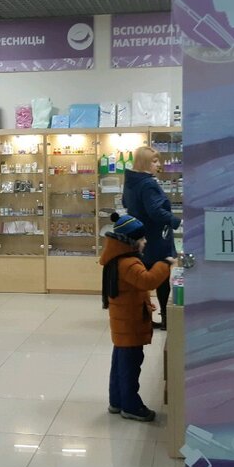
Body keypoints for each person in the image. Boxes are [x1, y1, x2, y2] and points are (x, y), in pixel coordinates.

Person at [99, 212, 174, 422]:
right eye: (141, 238)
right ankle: (131, 406)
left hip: (123, 323)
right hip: (130, 323)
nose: (145, 241)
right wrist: (165, 264)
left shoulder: (118, 259)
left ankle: (117, 401)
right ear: (130, 241)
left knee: (120, 365)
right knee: (130, 367)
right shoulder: (128, 263)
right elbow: (148, 281)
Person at [122, 146, 181, 330]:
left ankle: (142, 316)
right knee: (161, 277)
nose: (158, 164)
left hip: (140, 237)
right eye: (154, 161)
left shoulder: (131, 181)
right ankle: (165, 319)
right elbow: (155, 211)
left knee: (141, 280)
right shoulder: (148, 183)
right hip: (155, 238)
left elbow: (125, 203)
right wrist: (176, 221)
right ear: (145, 163)